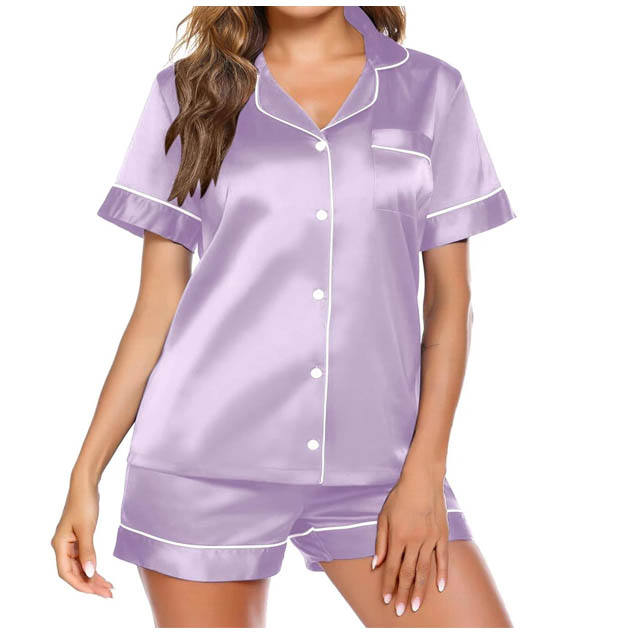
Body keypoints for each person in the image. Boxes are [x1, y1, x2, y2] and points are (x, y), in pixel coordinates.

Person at [52, 6, 515, 627]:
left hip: (378, 465)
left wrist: (425, 473)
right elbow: (158, 303)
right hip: (203, 465)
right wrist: (86, 474)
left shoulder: (430, 88)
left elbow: (449, 301)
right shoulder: (186, 92)